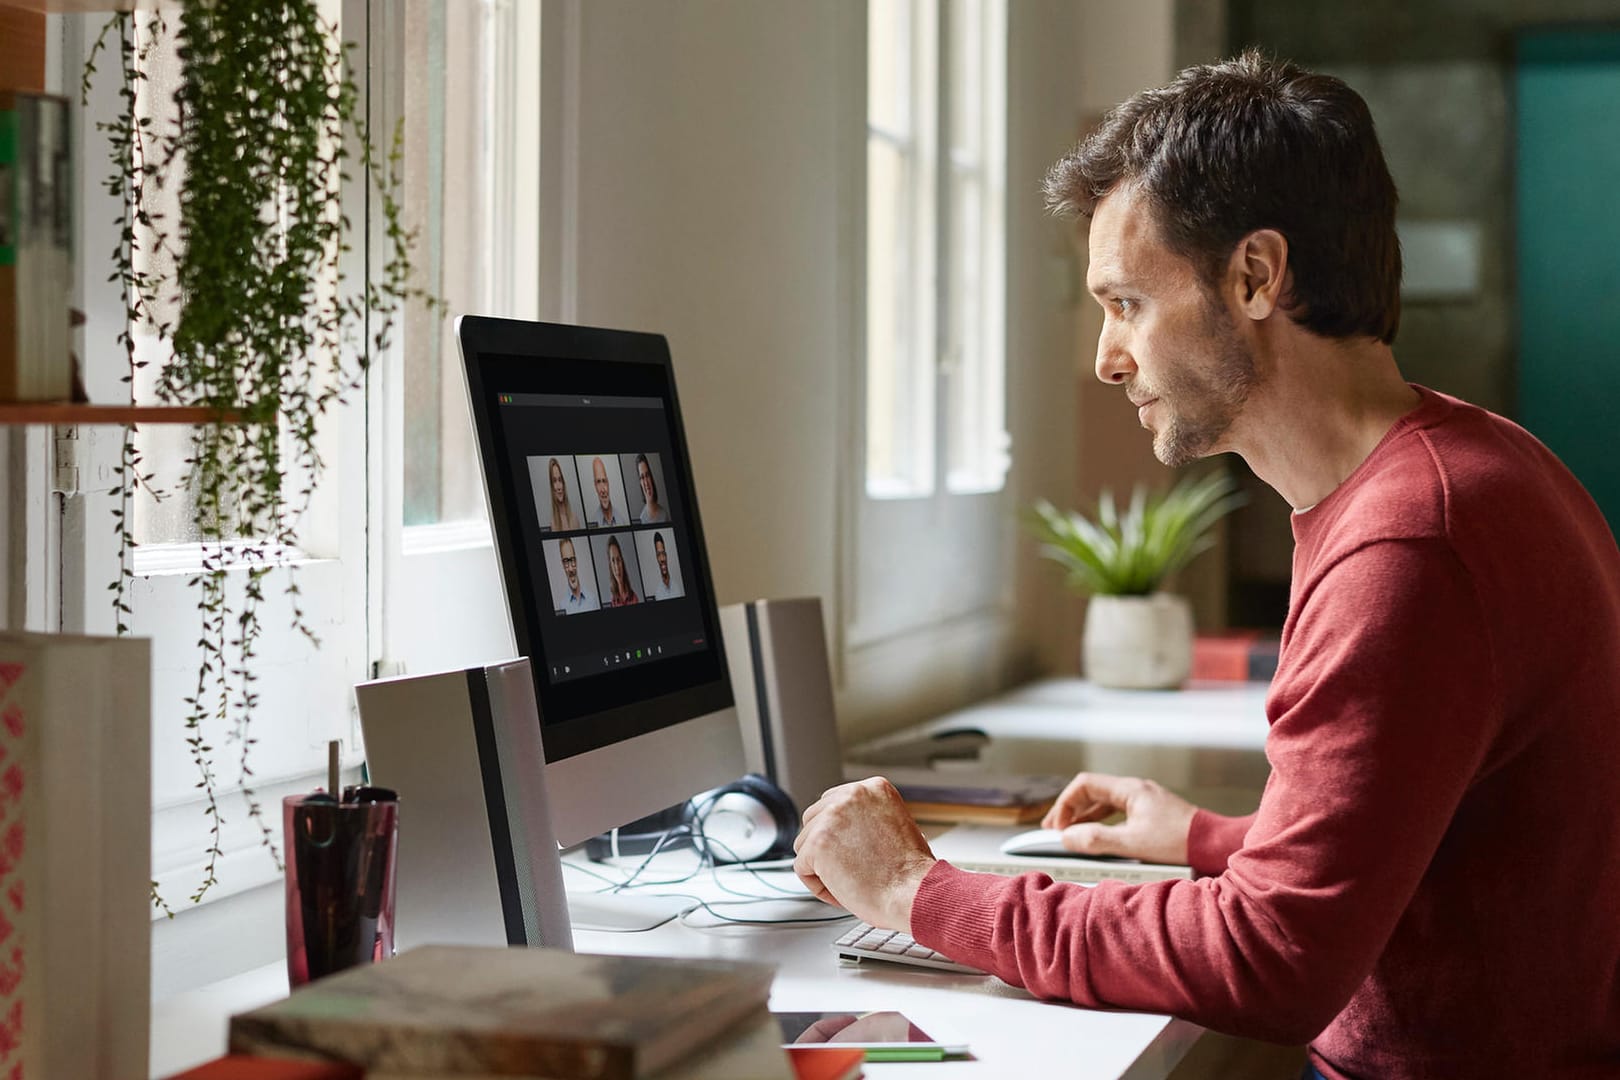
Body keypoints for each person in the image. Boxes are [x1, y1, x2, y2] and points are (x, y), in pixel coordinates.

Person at [792, 50, 1620, 1080]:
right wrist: (1209, 838)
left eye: (1126, 302)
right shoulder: (1462, 468)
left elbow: (1273, 961)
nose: (1105, 355)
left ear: (1256, 276)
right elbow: (1428, 838)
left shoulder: (1412, 543)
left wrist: (917, 891)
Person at [556, 537, 595, 613]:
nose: (570, 569)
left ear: (576, 561)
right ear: (563, 565)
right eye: (566, 562)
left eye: (572, 560)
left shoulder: (592, 599)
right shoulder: (562, 606)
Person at [546, 457, 581, 532]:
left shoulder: (575, 519)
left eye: (560, 479)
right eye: (554, 481)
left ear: (563, 483)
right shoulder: (552, 524)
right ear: (552, 487)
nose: (559, 487)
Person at [605, 535, 639, 607]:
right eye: (613, 561)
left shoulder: (634, 597)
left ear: (622, 561)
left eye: (618, 559)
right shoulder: (611, 602)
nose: (617, 566)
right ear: (610, 565)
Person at [635, 453, 668, 523]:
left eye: (647, 475)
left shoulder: (664, 514)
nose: (646, 482)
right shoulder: (641, 519)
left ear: (651, 477)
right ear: (640, 482)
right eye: (642, 477)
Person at [590, 456, 620, 527]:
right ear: (595, 486)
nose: (603, 490)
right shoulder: (593, 523)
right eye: (598, 482)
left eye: (604, 481)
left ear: (608, 483)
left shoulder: (621, 520)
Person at [647, 532, 677, 600]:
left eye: (663, 553)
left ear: (666, 555)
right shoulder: (657, 592)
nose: (662, 559)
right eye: (658, 555)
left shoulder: (677, 587)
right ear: (656, 558)